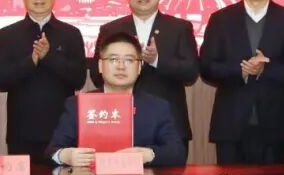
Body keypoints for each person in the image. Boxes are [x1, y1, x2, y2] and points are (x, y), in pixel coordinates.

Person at [199, 0, 284, 164]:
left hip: (274, 125)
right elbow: (206, 66)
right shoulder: (221, 19)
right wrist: (240, 70)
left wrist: (266, 69)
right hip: (230, 125)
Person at [90, 0, 198, 153]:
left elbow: (191, 72)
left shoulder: (179, 28)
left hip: (168, 125)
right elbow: (96, 75)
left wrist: (157, 61)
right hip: (119, 124)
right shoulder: (111, 30)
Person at [0, 0, 86, 163]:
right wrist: (31, 61)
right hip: (21, 134)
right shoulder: (7, 35)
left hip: (63, 132)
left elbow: (78, 79)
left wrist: (49, 56)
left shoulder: (71, 34)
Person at [47, 32, 186, 167]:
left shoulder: (157, 107)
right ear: (100, 66)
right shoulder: (77, 104)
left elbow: (177, 152)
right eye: (113, 59)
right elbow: (51, 151)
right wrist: (65, 156)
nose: (121, 66)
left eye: (129, 60)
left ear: (139, 67)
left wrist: (148, 155)